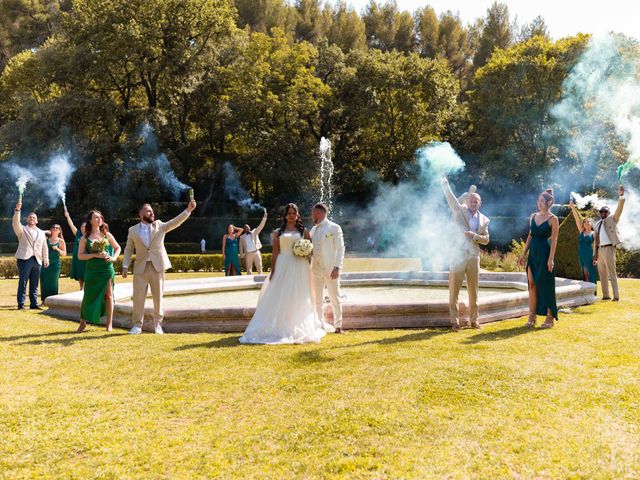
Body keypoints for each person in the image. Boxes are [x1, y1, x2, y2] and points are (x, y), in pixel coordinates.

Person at [239, 203, 328, 344]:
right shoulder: (278, 233)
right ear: (285, 216)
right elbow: (275, 253)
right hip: (283, 264)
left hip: (300, 266)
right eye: (289, 213)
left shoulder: (303, 231)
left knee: (300, 295)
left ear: (297, 215)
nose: (292, 215)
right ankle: (280, 326)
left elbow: (311, 250)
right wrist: (273, 271)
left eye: (294, 213)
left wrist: (305, 251)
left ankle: (297, 323)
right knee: (281, 294)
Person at [122, 200, 196, 334]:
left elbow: (175, 222)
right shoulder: (132, 230)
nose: (151, 213)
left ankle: (158, 325)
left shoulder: (160, 225)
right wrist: (125, 265)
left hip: (158, 266)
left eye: (152, 211)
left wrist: (188, 210)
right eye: (148, 210)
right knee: (138, 297)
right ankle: (137, 325)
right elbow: (128, 249)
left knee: (158, 297)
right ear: (141, 214)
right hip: (140, 268)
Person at [441, 178, 490, 331]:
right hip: (458, 254)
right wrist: (445, 185)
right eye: (471, 201)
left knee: (473, 290)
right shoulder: (459, 210)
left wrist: (474, 236)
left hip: (473, 257)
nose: (473, 203)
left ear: (479, 204)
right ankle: (454, 321)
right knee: (454, 289)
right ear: (468, 202)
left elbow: (486, 240)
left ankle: (474, 320)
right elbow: (451, 199)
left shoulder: (484, 220)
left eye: (476, 201)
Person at [518, 188, 559, 328]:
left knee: (546, 285)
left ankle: (550, 317)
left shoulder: (553, 219)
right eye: (538, 200)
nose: (539, 203)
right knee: (532, 284)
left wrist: (551, 259)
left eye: (542, 201)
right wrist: (523, 253)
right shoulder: (533, 216)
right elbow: (530, 235)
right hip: (533, 254)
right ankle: (532, 316)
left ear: (549, 202)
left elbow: (554, 240)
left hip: (545, 253)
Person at [77, 210, 121, 332]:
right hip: (92, 270)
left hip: (106, 269)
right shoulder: (85, 238)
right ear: (90, 221)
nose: (99, 219)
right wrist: (95, 255)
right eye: (96, 217)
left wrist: (113, 258)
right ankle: (83, 323)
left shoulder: (107, 235)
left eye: (100, 217)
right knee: (88, 295)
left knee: (109, 295)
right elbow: (80, 256)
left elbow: (117, 247)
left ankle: (109, 324)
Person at [310, 203, 344, 333]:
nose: (312, 215)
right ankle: (320, 324)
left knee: (335, 297)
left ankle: (338, 325)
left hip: (330, 269)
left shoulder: (334, 228)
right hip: (315, 269)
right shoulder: (313, 230)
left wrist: (337, 267)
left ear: (320, 213)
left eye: (313, 213)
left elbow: (341, 249)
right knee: (318, 298)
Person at [13, 203, 49, 310]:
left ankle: (34, 304)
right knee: (23, 282)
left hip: (37, 260)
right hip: (24, 259)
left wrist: (46, 259)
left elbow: (44, 247)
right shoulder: (21, 229)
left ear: (37, 221)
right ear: (27, 220)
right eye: (30, 217)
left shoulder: (41, 233)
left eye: (34, 217)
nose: (32, 218)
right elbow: (15, 222)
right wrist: (17, 210)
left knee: (35, 283)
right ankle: (21, 304)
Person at [594, 186, 625, 301]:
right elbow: (595, 241)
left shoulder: (613, 219)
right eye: (601, 211)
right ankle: (606, 296)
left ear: (608, 212)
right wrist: (595, 255)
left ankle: (616, 297)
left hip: (609, 249)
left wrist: (621, 196)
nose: (603, 213)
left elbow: (619, 210)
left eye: (605, 211)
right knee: (602, 274)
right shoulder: (597, 224)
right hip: (600, 250)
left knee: (612, 274)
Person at [569, 199, 597, 286]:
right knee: (584, 272)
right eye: (584, 222)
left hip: (589, 253)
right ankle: (587, 288)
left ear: (590, 224)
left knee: (590, 271)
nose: (586, 223)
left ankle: (592, 290)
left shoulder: (593, 233)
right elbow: (576, 219)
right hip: (581, 253)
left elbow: (596, 246)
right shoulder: (581, 231)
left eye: (588, 222)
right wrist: (573, 207)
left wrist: (595, 258)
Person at [40, 224, 67, 303]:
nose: (55, 229)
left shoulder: (61, 241)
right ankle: (44, 301)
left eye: (57, 228)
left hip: (55, 264)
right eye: (53, 227)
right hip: (45, 263)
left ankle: (53, 301)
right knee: (44, 281)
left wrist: (57, 249)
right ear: (50, 229)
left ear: (59, 231)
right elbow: (39, 232)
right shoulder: (46, 239)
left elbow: (64, 253)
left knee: (53, 282)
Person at [239, 208, 268, 275]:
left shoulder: (255, 232)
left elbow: (261, 226)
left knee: (259, 267)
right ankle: (249, 282)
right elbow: (241, 247)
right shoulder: (242, 237)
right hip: (248, 253)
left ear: (250, 228)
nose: (247, 228)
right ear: (244, 229)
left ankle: (260, 280)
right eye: (245, 227)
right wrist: (241, 255)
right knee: (249, 269)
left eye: (248, 227)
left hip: (256, 252)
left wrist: (264, 217)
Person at [64, 208, 87, 289]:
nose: (83, 228)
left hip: (86, 258)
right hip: (77, 258)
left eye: (85, 227)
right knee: (79, 273)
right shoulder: (78, 234)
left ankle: (86, 288)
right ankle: (81, 288)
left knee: (86, 273)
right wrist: (67, 216)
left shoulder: (90, 236)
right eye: (82, 227)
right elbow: (71, 225)